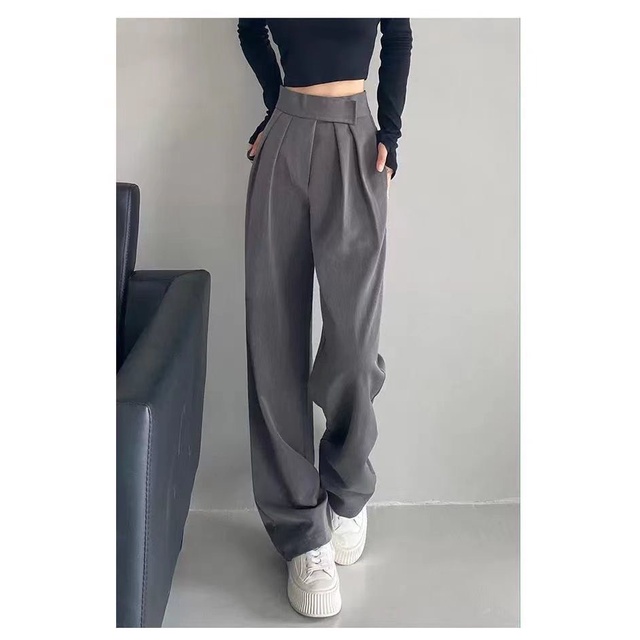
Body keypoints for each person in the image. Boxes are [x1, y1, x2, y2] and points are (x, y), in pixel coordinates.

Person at [237, 17, 412, 618]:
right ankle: (301, 533)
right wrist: (273, 104)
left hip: (357, 141)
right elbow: (249, 26)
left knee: (354, 344)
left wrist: (390, 129)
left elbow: (399, 33)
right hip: (285, 137)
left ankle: (347, 487)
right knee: (273, 335)